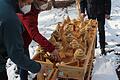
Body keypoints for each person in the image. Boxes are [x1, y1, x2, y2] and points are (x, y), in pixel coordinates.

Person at [0, 0, 60, 80]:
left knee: (23, 63)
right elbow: (16, 56)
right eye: (28, 3)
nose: (29, 5)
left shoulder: (6, 4)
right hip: (19, 44)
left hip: (19, 42)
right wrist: (38, 67)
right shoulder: (12, 19)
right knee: (24, 63)